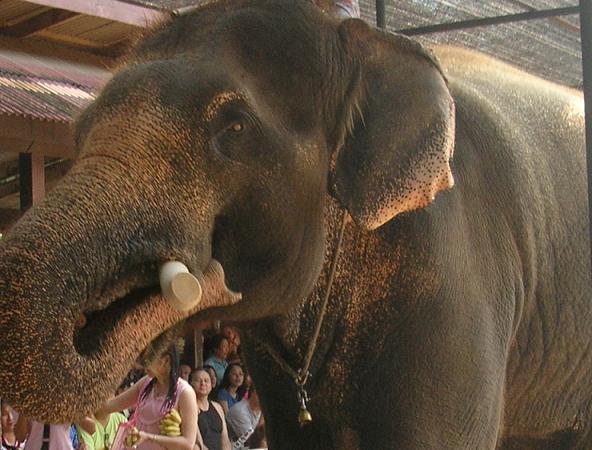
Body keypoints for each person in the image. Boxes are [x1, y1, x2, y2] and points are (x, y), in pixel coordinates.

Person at [96, 343, 197, 450]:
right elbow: (109, 406)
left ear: (166, 361)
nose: (144, 364)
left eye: (149, 358)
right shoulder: (145, 383)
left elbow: (188, 443)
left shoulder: (185, 393)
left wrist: (149, 437)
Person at [190, 369, 230, 450]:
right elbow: (197, 441)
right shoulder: (189, 408)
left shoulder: (217, 407)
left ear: (211, 385)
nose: (203, 383)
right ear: (190, 384)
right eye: (198, 380)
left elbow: (225, 439)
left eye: (206, 381)